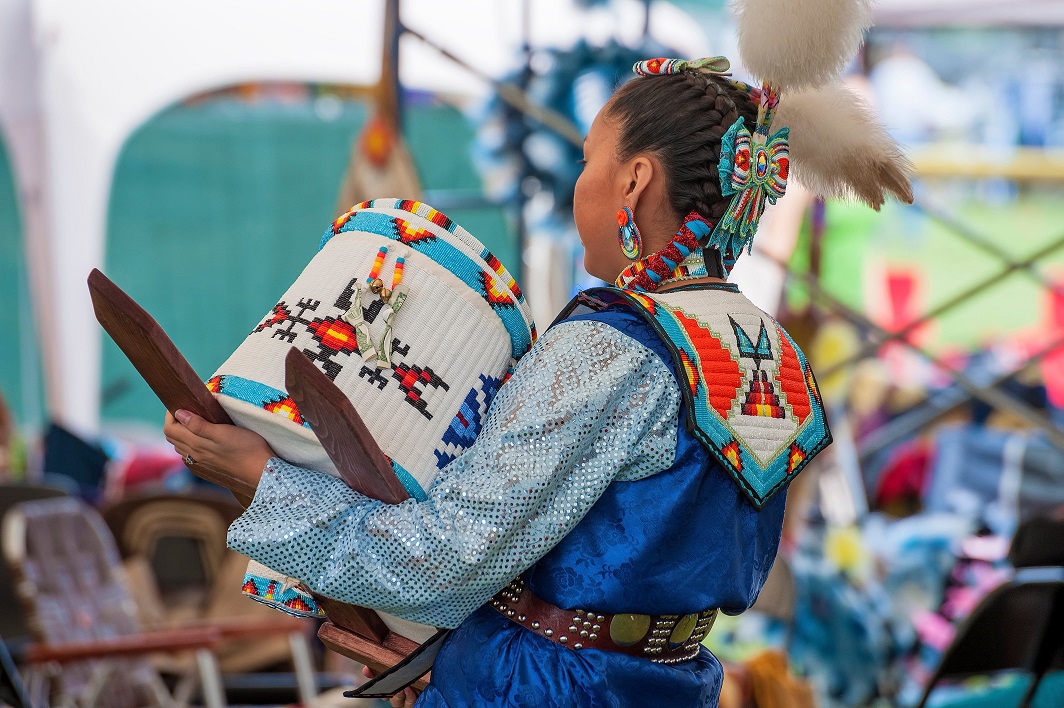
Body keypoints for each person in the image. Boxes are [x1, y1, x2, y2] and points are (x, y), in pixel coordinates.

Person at [165, 54, 904, 706]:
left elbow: (443, 559)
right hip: (674, 683)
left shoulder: (616, 344)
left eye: (589, 161)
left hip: (548, 688)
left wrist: (266, 482)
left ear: (635, 182)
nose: (579, 183)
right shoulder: (772, 355)